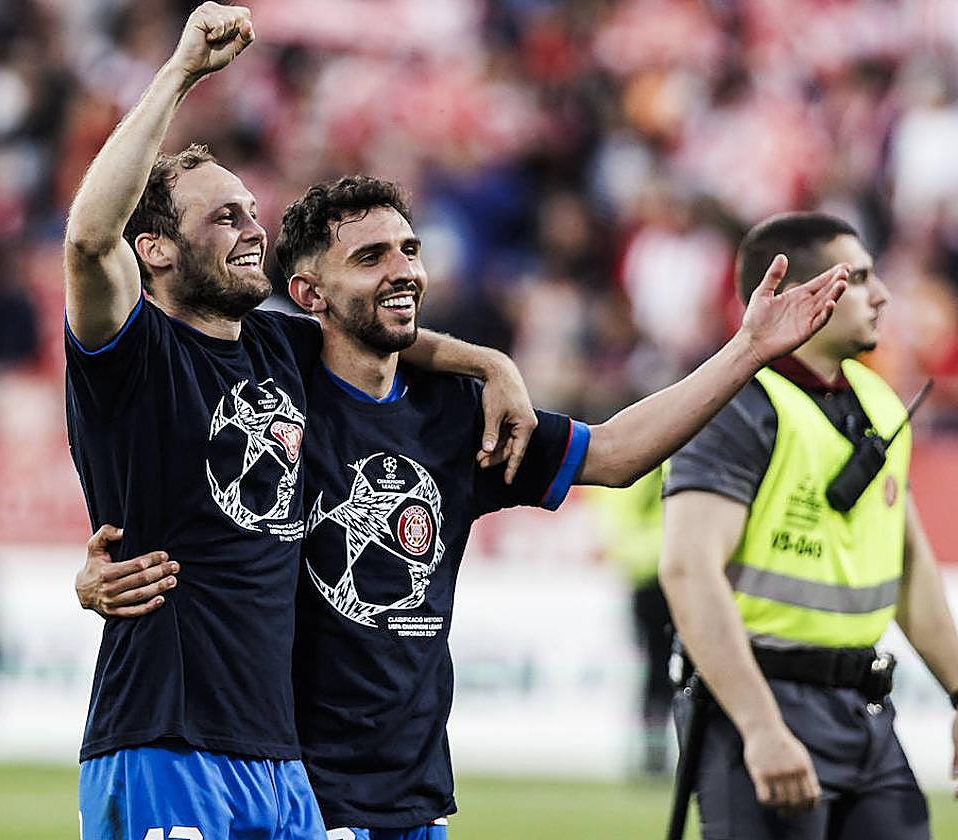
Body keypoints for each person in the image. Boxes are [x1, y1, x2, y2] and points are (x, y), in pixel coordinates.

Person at [79, 173, 848, 839]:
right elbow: (166, 460)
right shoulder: (274, 379)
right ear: (309, 295)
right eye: (371, 257)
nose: (403, 271)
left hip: (415, 789)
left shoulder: (455, 416)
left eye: (410, 250)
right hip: (305, 783)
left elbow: (615, 454)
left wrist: (747, 350)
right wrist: (98, 571)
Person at [63, 6, 536, 839]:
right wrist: (181, 73)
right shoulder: (134, 355)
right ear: (157, 250)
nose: (255, 230)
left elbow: (376, 327)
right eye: (224, 217)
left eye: (252, 211)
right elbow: (90, 239)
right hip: (165, 733)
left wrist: (489, 364)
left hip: (280, 762)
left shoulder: (280, 347)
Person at [660, 211, 958, 840]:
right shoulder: (731, 406)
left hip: (865, 706)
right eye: (860, 278)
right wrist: (760, 727)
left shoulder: (880, 402)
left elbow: (910, 571)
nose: (882, 295)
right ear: (803, 294)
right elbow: (688, 571)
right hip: (761, 700)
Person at [589, 466, 672, 777]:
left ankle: (655, 750)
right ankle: (657, 751)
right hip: (659, 573)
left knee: (657, 668)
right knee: (664, 668)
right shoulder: (654, 465)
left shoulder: (633, 464)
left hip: (647, 573)